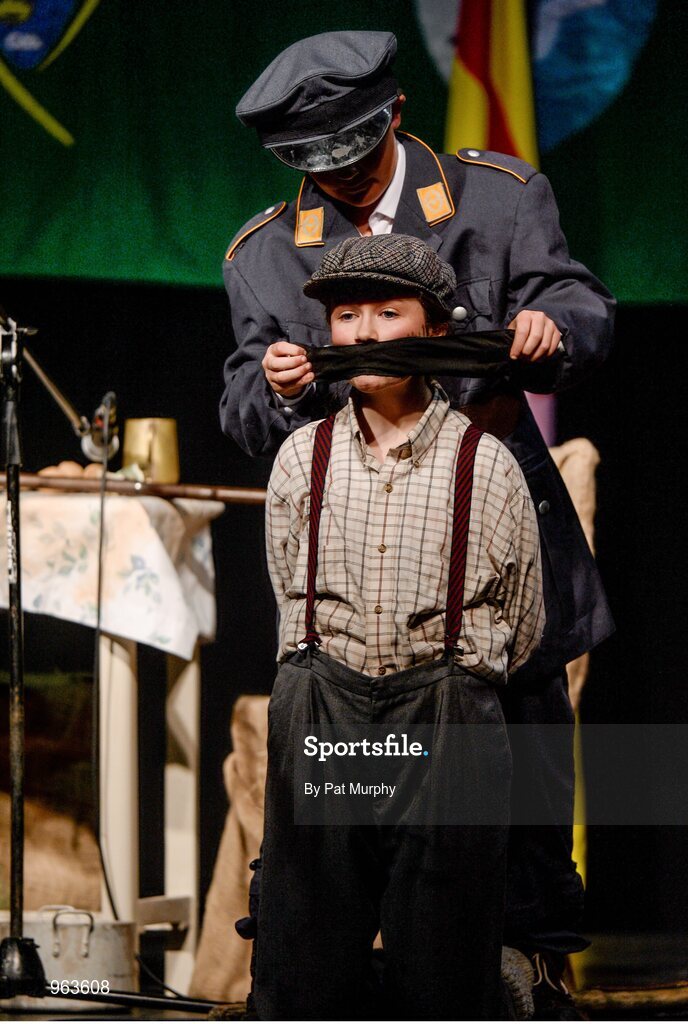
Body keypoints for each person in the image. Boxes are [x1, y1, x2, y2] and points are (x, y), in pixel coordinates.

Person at [220, 30, 616, 1018]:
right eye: (313, 167)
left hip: (487, 529)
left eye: (350, 156)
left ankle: (521, 974)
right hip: (357, 555)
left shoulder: (495, 197)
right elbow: (239, 409)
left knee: (515, 784)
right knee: (341, 809)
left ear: (393, 116)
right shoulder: (267, 253)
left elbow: (577, 301)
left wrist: (548, 327)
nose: (338, 183)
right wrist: (273, 392)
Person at [259, 232, 544, 1020]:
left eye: (390, 312)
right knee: (312, 932)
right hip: (329, 708)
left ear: (436, 331)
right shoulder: (301, 457)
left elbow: (521, 624)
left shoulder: (486, 464)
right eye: (348, 316)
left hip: (443, 717)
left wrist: (448, 679)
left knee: (441, 942)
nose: (367, 333)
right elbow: (289, 584)